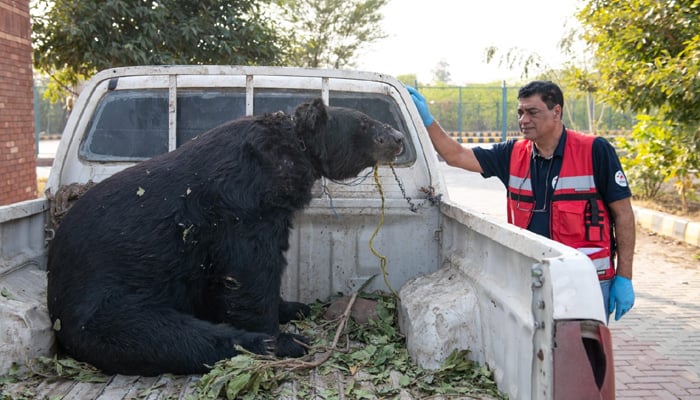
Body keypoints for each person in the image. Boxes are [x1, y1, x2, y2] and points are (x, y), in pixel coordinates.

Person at [407, 81, 635, 321]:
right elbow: (456, 156)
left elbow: (624, 214)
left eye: (532, 112)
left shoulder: (594, 151)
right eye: (520, 112)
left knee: (583, 356)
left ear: (556, 112)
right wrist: (428, 121)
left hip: (585, 281)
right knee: (537, 355)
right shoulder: (512, 154)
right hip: (533, 280)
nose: (523, 120)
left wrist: (624, 277)